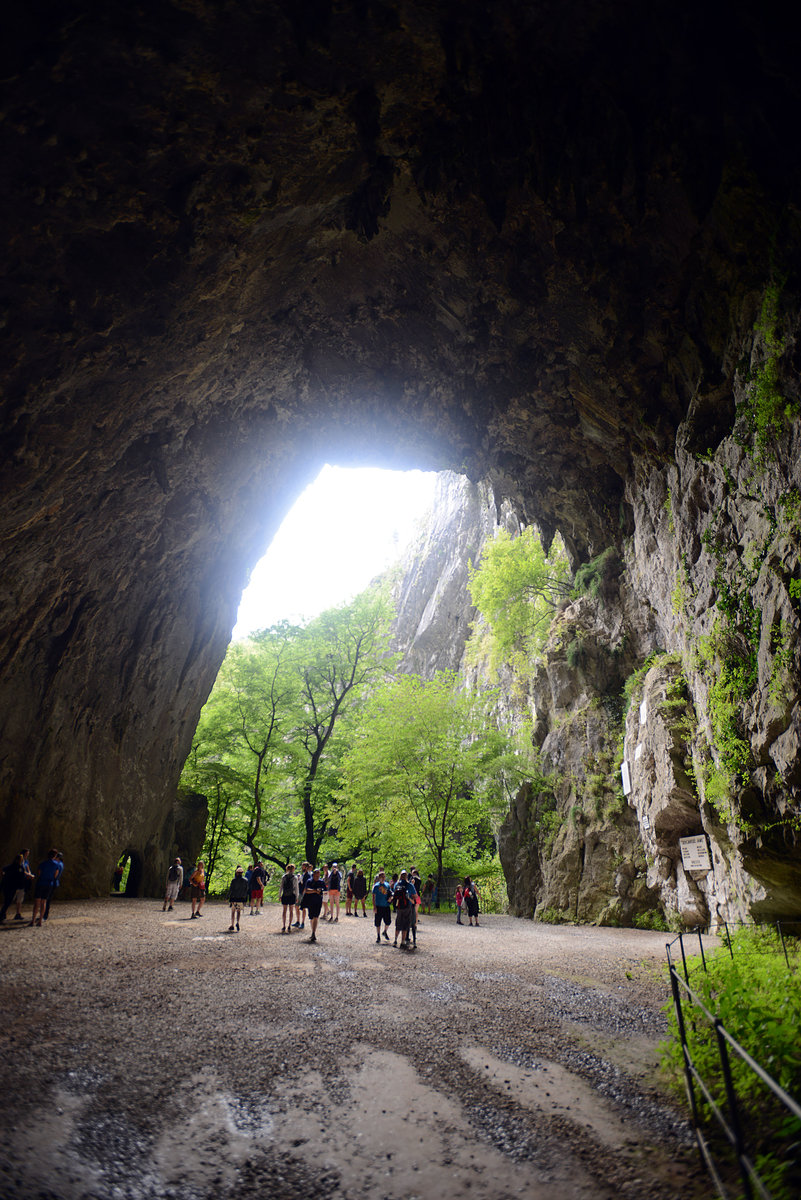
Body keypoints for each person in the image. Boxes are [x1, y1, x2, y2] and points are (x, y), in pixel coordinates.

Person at [30, 849, 62, 927]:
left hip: (41, 883)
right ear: (55, 856)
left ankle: (33, 920)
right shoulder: (56, 864)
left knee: (37, 902)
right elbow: (55, 875)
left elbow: (39, 873)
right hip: (49, 884)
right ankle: (40, 920)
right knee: (44, 902)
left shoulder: (43, 863)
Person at [0, 853, 30, 923]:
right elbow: (22, 876)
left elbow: (2, 870)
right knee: (8, 901)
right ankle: (1, 915)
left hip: (6, 886)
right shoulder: (19, 868)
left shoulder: (9, 867)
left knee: (7, 900)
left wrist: (4, 877)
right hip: (13, 886)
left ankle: (3, 915)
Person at [392, 870, 414, 949]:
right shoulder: (409, 885)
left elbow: (394, 894)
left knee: (398, 923)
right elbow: (414, 896)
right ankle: (402, 942)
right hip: (407, 906)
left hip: (399, 906)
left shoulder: (397, 884)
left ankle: (395, 940)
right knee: (405, 924)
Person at [302, 867, 324, 943]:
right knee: (311, 917)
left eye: (318, 876)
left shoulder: (321, 882)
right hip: (310, 901)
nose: (317, 877)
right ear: (313, 874)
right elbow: (307, 890)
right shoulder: (309, 881)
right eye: (316, 875)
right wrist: (315, 891)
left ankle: (313, 932)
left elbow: (324, 891)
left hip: (318, 902)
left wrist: (320, 892)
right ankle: (313, 931)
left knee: (316, 917)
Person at [371, 870, 393, 943]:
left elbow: (390, 894)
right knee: (378, 922)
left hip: (386, 906)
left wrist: (390, 898)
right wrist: (374, 906)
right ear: (379, 878)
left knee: (388, 921)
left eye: (384, 876)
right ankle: (378, 936)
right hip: (379, 906)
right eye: (381, 877)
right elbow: (373, 896)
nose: (383, 878)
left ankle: (385, 931)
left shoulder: (387, 885)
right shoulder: (376, 886)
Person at [43, 851, 64, 920]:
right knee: (47, 899)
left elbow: (55, 875)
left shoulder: (58, 865)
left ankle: (45, 915)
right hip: (54, 882)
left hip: (52, 883)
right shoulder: (60, 864)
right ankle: (44, 914)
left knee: (47, 899)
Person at [228, 866, 250, 931]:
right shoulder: (245, 880)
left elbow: (231, 889)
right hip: (241, 898)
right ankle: (238, 922)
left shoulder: (234, 880)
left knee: (233, 911)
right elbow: (247, 890)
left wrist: (229, 897)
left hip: (234, 898)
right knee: (238, 911)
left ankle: (232, 924)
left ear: (237, 873)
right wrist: (245, 899)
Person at [279, 863, 299, 933]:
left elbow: (281, 887)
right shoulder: (295, 877)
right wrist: (297, 897)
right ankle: (289, 925)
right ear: (293, 869)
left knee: (284, 911)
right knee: (291, 911)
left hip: (285, 895)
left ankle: (284, 925)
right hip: (292, 895)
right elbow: (296, 888)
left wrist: (279, 895)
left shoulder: (284, 877)